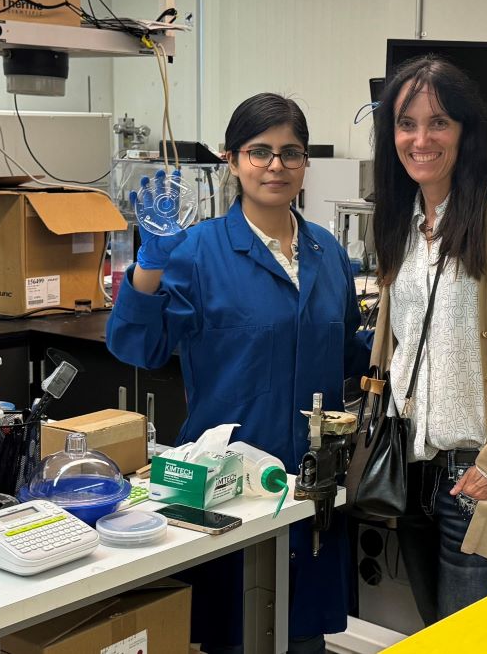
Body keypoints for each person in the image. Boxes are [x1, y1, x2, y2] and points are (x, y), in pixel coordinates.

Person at [106, 93, 369, 654]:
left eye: (290, 152)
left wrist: (410, 327)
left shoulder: (328, 252)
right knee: (236, 633)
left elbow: (346, 354)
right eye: (260, 151)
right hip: (225, 489)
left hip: (309, 487)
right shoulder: (197, 251)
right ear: (232, 159)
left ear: (305, 163)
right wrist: (149, 266)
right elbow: (139, 346)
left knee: (303, 641)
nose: (276, 166)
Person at [369, 56, 487, 625]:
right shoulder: (400, 219)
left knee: (471, 637)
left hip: (473, 474)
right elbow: (401, 344)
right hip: (411, 462)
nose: (420, 139)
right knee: (433, 630)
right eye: (407, 124)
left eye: (439, 123)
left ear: (464, 131)